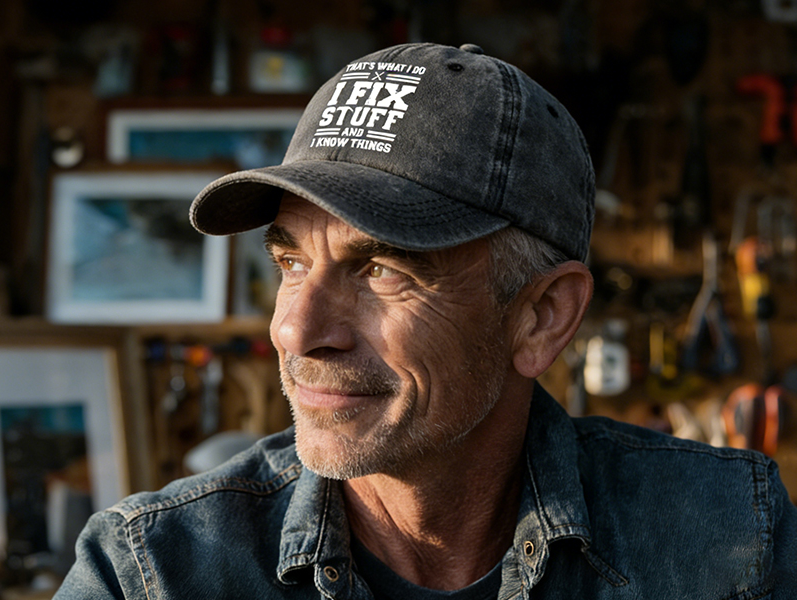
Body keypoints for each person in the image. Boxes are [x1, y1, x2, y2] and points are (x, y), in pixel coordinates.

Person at [54, 43, 797, 599]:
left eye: (382, 269)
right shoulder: (153, 572)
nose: (295, 331)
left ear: (542, 316)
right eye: (291, 263)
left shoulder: (731, 541)